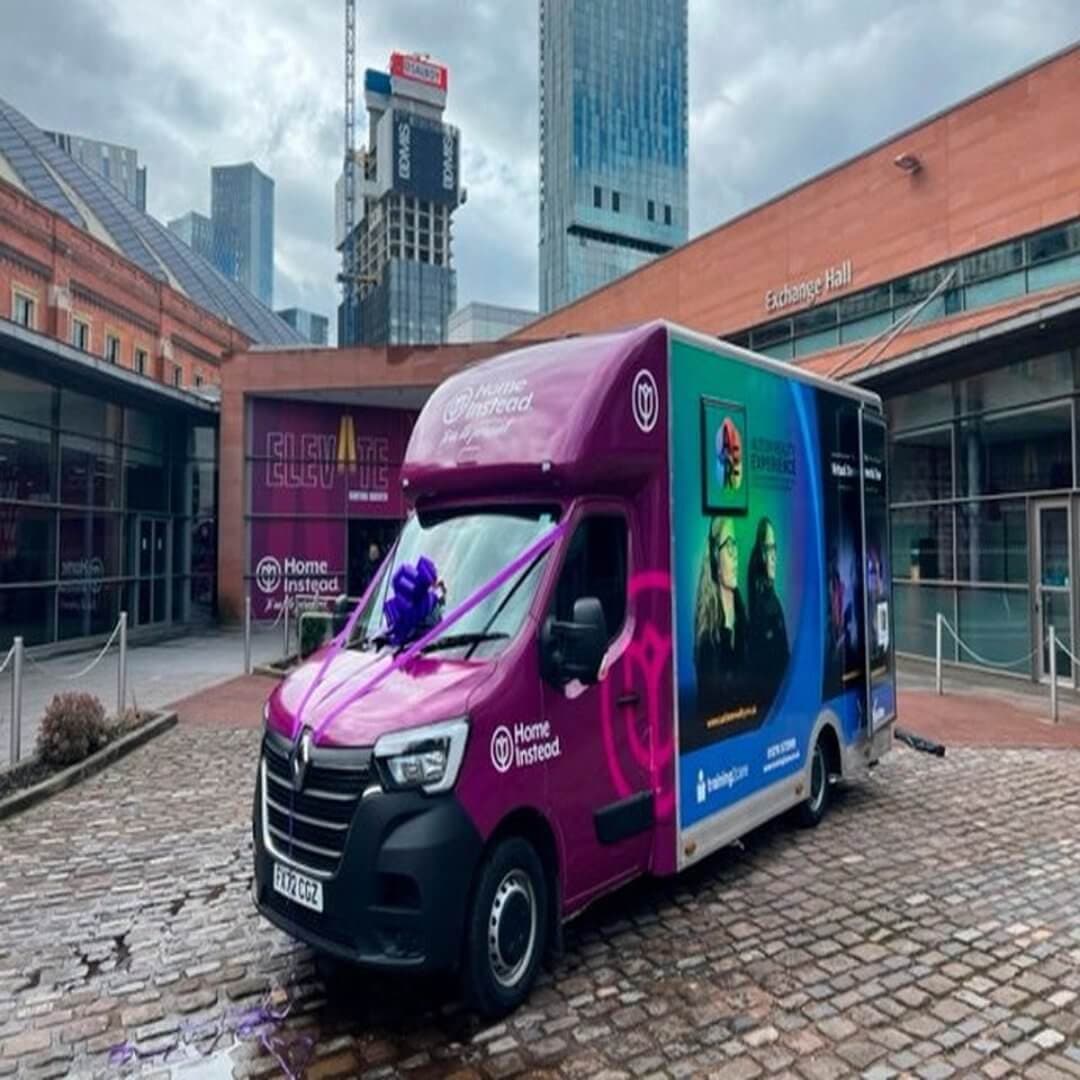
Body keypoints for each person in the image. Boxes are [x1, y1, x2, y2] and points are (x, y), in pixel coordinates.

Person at [693, 517, 748, 728]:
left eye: (736, 545)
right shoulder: (708, 633)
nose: (736, 556)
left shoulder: (744, 615)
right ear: (716, 557)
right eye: (729, 546)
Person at [748, 517, 789, 703]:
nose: (773, 556)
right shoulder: (764, 605)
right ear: (760, 554)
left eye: (774, 548)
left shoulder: (771, 600)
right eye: (767, 548)